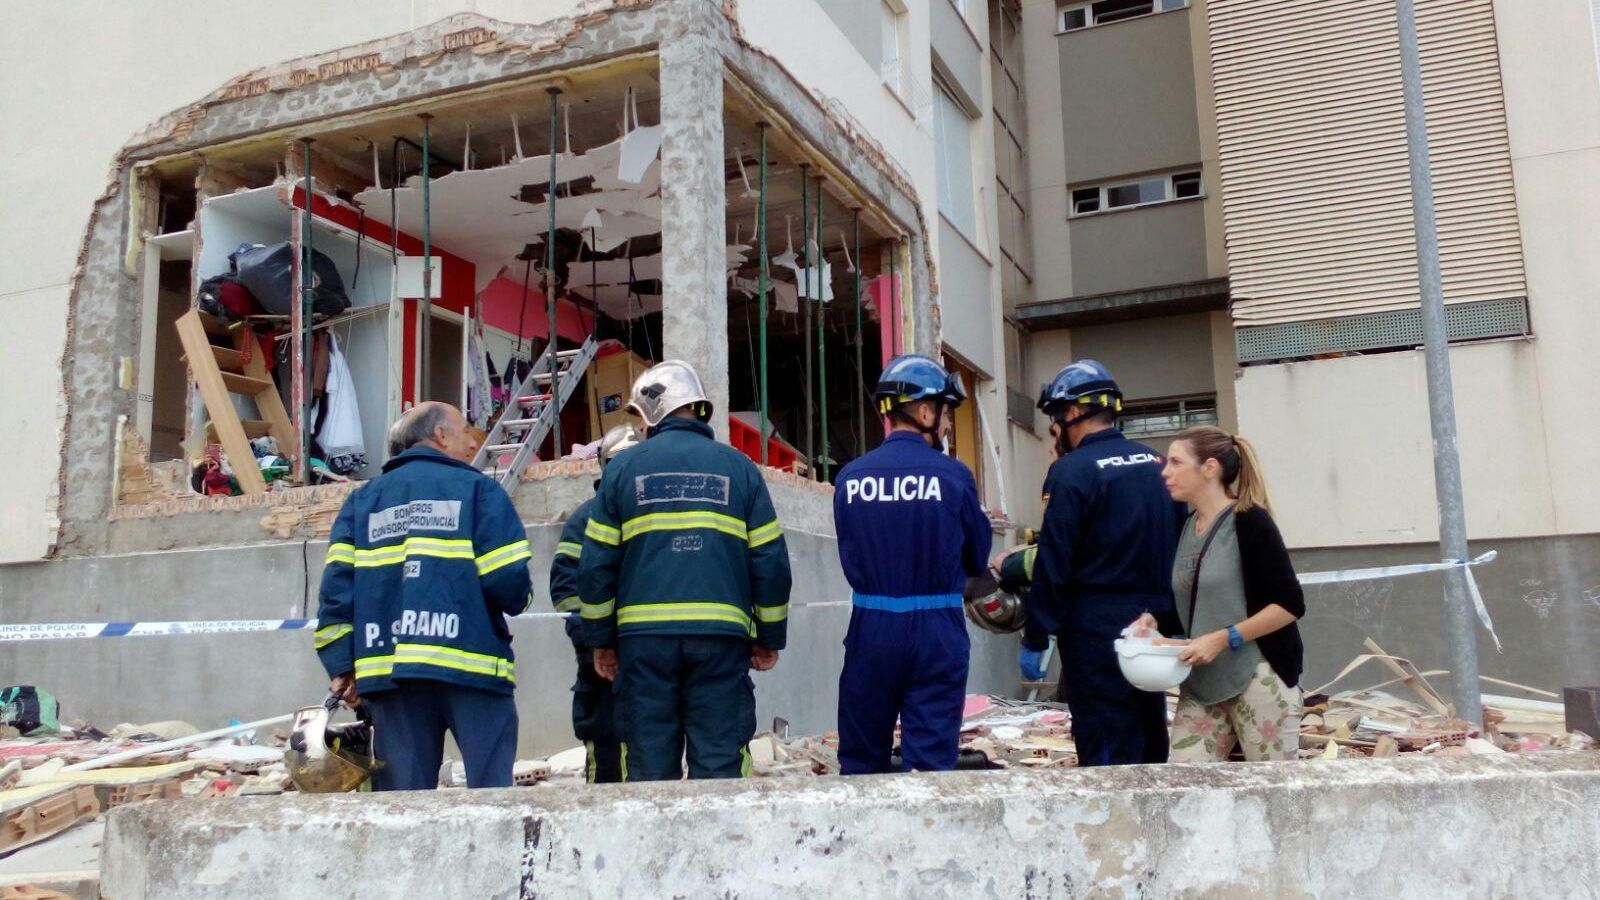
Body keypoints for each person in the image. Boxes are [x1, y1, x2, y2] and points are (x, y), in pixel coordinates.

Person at [577, 361, 792, 781]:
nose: (639, 430)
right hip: (720, 643)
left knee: (649, 768)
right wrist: (768, 638)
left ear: (654, 411)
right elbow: (770, 562)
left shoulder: (622, 470)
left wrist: (600, 642)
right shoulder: (740, 469)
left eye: (639, 419)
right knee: (718, 765)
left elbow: (596, 565)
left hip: (643, 646)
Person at [314, 401, 533, 790]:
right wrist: (522, 598)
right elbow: (509, 581)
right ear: (441, 435)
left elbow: (336, 592)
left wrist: (341, 665)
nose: (471, 444)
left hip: (390, 676)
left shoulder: (361, 502)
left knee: (402, 804)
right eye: (465, 431)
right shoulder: (479, 490)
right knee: (492, 799)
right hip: (473, 668)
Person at [833, 354, 991, 774]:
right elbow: (976, 558)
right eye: (944, 412)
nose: (946, 424)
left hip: (871, 626)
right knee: (930, 763)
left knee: (862, 759)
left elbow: (850, 551)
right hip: (936, 628)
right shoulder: (954, 476)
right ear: (923, 410)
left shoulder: (850, 477)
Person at [1024, 360, 1183, 767]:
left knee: (1107, 745)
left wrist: (1036, 633)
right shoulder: (1159, 464)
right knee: (1149, 733)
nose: (1055, 429)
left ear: (1073, 412)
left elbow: (1054, 560)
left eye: (1056, 417)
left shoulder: (1071, 472)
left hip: (1095, 630)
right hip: (1153, 625)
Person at [1127, 426, 1306, 762]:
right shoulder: (1187, 525)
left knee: (1275, 794)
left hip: (1258, 677)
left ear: (1209, 468)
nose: (1165, 471)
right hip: (1202, 684)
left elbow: (1289, 604)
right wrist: (1155, 619)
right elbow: (1195, 602)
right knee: (1185, 788)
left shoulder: (1250, 521)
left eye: (1177, 462)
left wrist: (1223, 638)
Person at [547, 424, 641, 784]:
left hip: (647, 655)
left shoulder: (651, 512)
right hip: (600, 666)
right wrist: (593, 644)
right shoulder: (585, 518)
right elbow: (566, 589)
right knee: (604, 755)